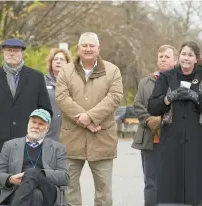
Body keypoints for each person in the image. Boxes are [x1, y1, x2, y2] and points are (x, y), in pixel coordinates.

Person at [56, 32, 123, 206]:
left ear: (98, 49)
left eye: (92, 45)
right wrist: (85, 119)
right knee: (69, 188)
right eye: (84, 45)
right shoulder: (65, 70)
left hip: (102, 139)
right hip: (72, 139)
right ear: (78, 48)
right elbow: (62, 98)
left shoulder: (113, 70)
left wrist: (91, 117)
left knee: (104, 191)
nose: (88, 49)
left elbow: (115, 97)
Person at [0, 38, 52, 168]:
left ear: (22, 53)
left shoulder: (36, 77)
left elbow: (45, 109)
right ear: (3, 52)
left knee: (28, 182)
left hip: (29, 141)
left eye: (15, 51)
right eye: (8, 50)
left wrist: (35, 131)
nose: (11, 54)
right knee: (1, 182)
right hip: (0, 141)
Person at [148, 41, 202, 206]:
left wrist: (197, 98)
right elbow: (152, 107)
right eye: (183, 54)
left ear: (196, 59)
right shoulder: (166, 77)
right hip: (171, 138)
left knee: (194, 185)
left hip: (196, 138)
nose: (186, 58)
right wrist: (168, 98)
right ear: (179, 57)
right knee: (170, 188)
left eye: (190, 55)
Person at [0, 108, 69, 206]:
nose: (36, 126)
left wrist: (40, 174)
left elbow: (65, 177)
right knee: (36, 195)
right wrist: (11, 179)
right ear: (28, 123)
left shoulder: (58, 148)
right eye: (34, 122)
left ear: (47, 128)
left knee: (32, 172)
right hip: (17, 189)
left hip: (47, 191)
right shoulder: (10, 145)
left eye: (41, 124)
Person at [132, 45, 178, 206]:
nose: (163, 59)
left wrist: (163, 120)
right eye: (160, 57)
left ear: (175, 60)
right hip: (150, 140)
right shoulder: (146, 81)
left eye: (166, 56)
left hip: (174, 141)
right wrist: (149, 120)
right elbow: (137, 104)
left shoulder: (180, 82)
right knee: (150, 183)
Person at [45, 48, 72, 141]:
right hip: (47, 134)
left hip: (69, 135)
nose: (58, 62)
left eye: (62, 59)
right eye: (55, 59)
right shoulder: (41, 82)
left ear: (68, 63)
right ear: (51, 62)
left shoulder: (74, 83)